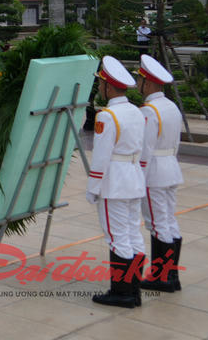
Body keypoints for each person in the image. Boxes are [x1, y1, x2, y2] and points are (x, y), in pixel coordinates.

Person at [88, 56, 147, 308]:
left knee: (116, 236)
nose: (100, 88)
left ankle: (121, 292)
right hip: (134, 178)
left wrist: (93, 187)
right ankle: (133, 291)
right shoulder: (136, 111)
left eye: (101, 84)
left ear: (108, 86)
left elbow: (101, 157)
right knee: (134, 233)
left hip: (114, 182)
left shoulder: (107, 116)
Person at [137, 54, 185, 292]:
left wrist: (139, 178)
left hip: (154, 173)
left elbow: (145, 150)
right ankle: (172, 276)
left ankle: (161, 276)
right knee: (168, 221)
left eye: (140, 80)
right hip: (171, 168)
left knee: (157, 224)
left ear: (149, 82)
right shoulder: (171, 106)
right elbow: (176, 142)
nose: (137, 85)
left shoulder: (149, 111)